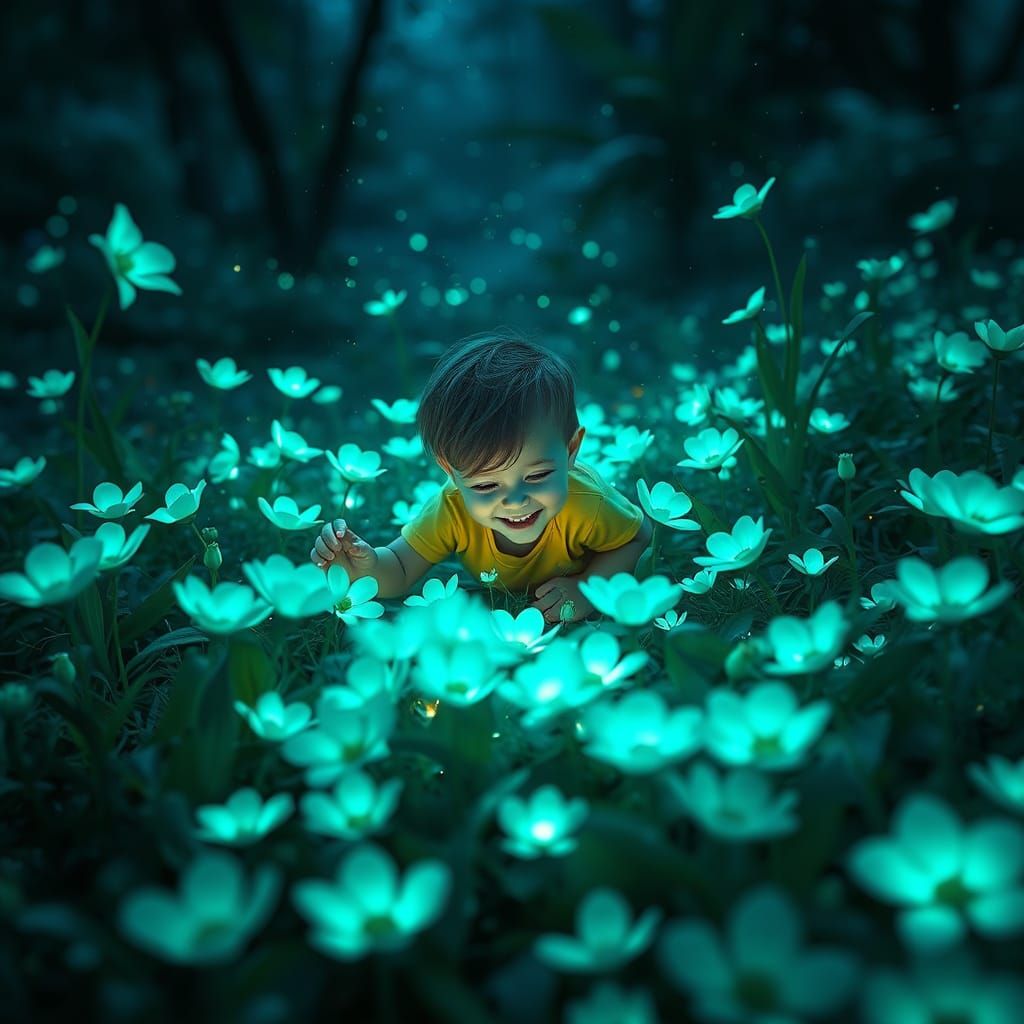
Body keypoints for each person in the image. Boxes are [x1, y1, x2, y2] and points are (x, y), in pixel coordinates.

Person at [310, 329, 653, 623]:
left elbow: (638, 538)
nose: (516, 500)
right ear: (451, 472)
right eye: (487, 485)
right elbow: (399, 568)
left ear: (570, 450)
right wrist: (364, 567)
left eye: (538, 476)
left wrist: (588, 586)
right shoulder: (451, 509)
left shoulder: (587, 504)